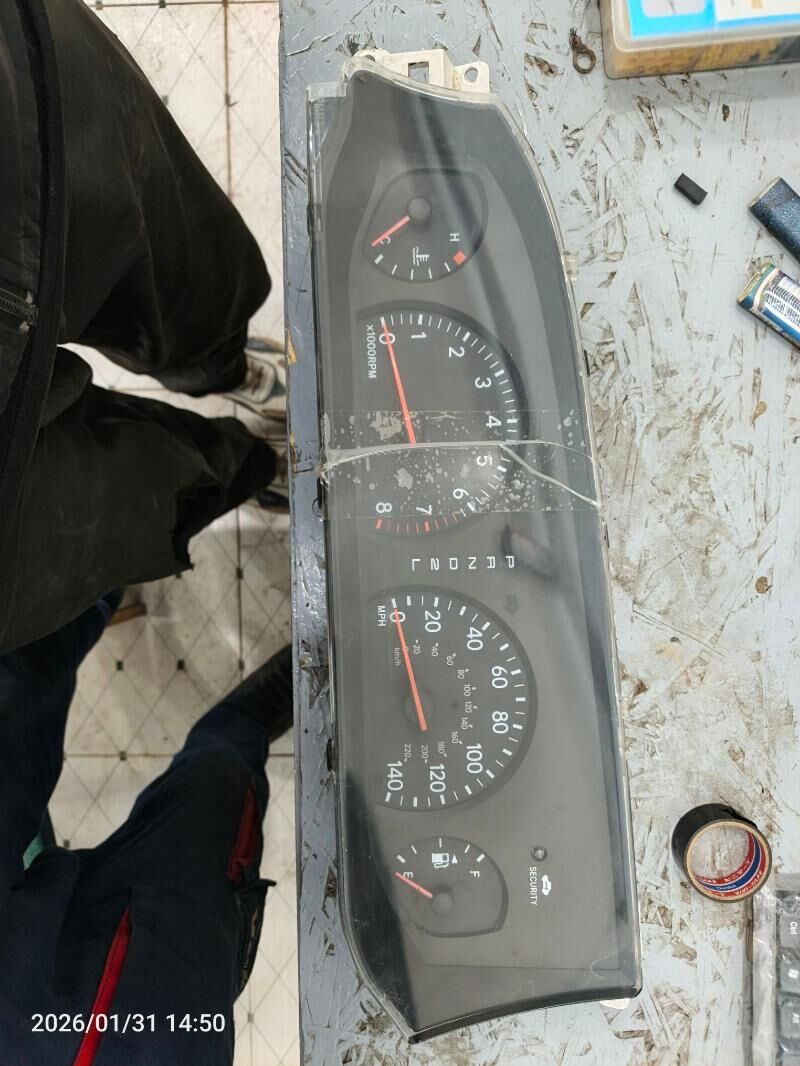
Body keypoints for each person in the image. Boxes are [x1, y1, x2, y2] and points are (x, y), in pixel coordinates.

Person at [0, 0, 286, 654]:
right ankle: (253, 465)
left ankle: (227, 367)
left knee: (175, 275)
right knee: (134, 496)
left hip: (17, 120)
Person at [0, 592, 294, 1064]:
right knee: (218, 779)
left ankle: (90, 583)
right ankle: (245, 723)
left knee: (21, 688)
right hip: (161, 1010)